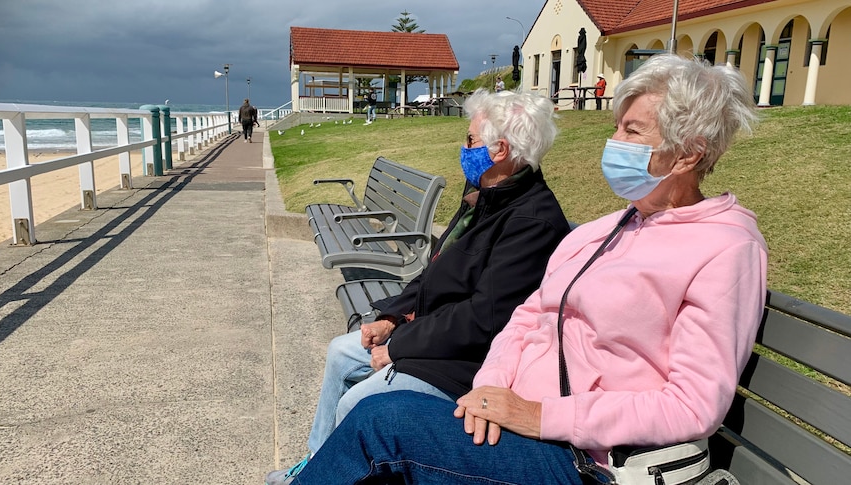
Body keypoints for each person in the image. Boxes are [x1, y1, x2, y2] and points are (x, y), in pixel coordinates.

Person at [292, 54, 768, 484]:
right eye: (617, 127)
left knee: (382, 421)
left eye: (633, 131)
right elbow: (527, 316)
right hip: (509, 416)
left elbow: (693, 406)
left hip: (585, 458)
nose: (613, 142)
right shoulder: (604, 230)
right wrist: (492, 386)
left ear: (689, 153)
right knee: (380, 418)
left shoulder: (726, 248)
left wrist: (539, 416)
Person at [265, 88, 572, 483]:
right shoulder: (486, 196)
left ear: (501, 150)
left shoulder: (531, 222)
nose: (464, 147)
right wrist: (391, 318)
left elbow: (482, 321)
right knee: (342, 352)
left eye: (471, 140)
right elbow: (435, 272)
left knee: (361, 403)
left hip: (464, 362)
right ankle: (316, 465)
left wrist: (397, 348)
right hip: (432, 335)